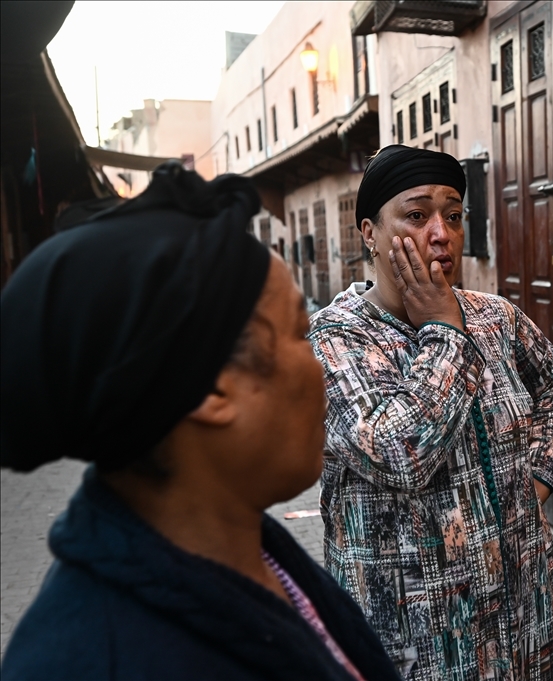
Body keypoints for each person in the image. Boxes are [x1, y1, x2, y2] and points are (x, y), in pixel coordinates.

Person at [0, 164, 402, 681]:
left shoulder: (251, 555)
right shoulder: (92, 659)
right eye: (301, 334)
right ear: (213, 387)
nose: (320, 366)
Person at [309, 145, 553, 680]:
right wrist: (443, 332)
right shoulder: (335, 340)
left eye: (453, 216)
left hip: (522, 612)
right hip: (413, 633)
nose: (441, 233)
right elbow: (401, 453)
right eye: (415, 215)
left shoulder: (493, 317)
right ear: (369, 233)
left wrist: (536, 480)